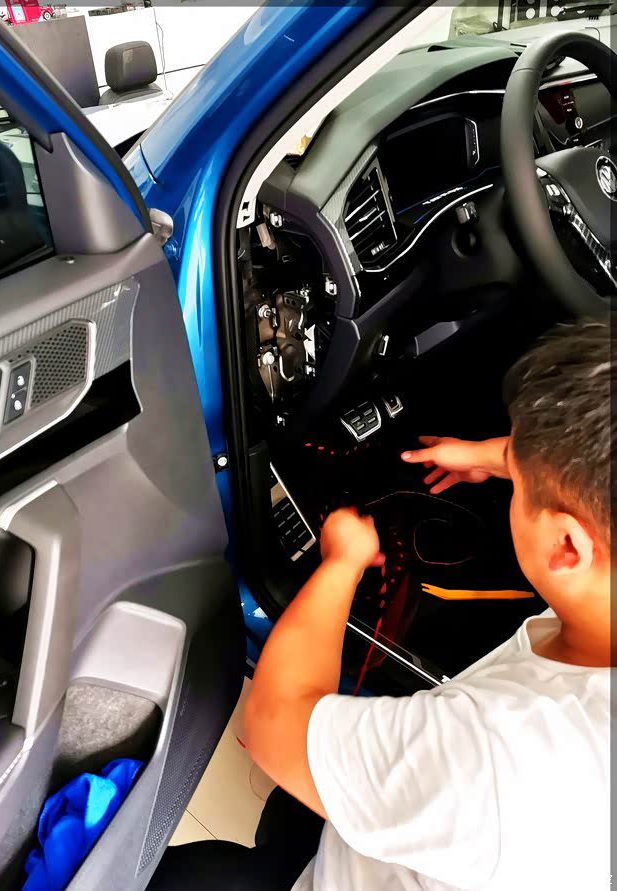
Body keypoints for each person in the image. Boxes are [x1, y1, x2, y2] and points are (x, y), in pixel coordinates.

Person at [150, 318, 611, 890]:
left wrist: (341, 562)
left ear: (568, 546)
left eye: (520, 488)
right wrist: (500, 458)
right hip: (399, 835)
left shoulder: (508, 759)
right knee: (290, 817)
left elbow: (276, 721)